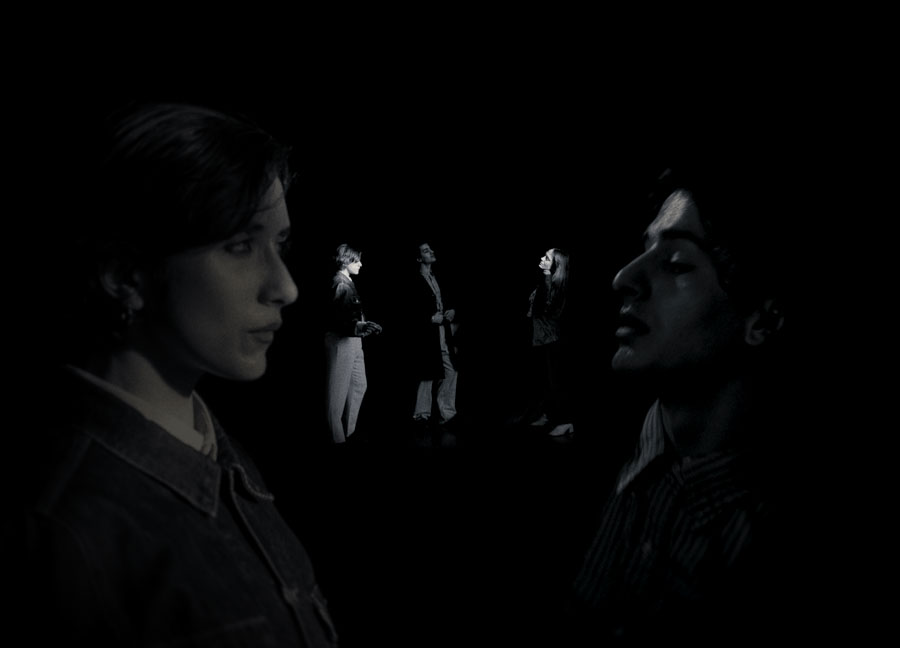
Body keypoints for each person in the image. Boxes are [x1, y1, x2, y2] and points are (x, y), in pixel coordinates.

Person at [11, 102, 339, 646]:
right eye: (240, 246)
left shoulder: (220, 453)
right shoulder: (69, 529)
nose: (286, 287)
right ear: (125, 275)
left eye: (280, 245)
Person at [560, 163, 809, 644]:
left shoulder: (760, 531)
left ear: (763, 320)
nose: (624, 277)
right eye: (645, 248)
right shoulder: (648, 440)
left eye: (675, 263)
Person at [324, 243, 382, 444]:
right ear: (346, 261)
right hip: (342, 342)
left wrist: (364, 326)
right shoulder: (340, 283)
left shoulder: (346, 281)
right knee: (336, 398)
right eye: (356, 261)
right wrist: (360, 326)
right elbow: (337, 319)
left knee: (359, 385)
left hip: (353, 341)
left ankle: (345, 434)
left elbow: (349, 315)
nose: (361, 264)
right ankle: (337, 440)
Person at [410, 241, 459, 432]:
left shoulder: (437, 277)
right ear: (418, 258)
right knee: (427, 373)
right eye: (425, 251)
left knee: (451, 369)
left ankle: (447, 413)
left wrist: (451, 311)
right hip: (426, 334)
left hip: (442, 331)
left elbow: (446, 301)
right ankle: (421, 415)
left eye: (430, 249)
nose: (431, 252)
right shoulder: (415, 280)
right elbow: (408, 310)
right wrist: (429, 318)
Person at [526, 247, 575, 437]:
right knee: (544, 381)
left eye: (547, 258)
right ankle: (547, 414)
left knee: (555, 382)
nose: (542, 258)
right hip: (541, 339)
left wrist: (546, 275)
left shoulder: (556, 285)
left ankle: (565, 421)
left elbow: (545, 307)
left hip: (551, 340)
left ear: (556, 265)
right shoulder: (548, 282)